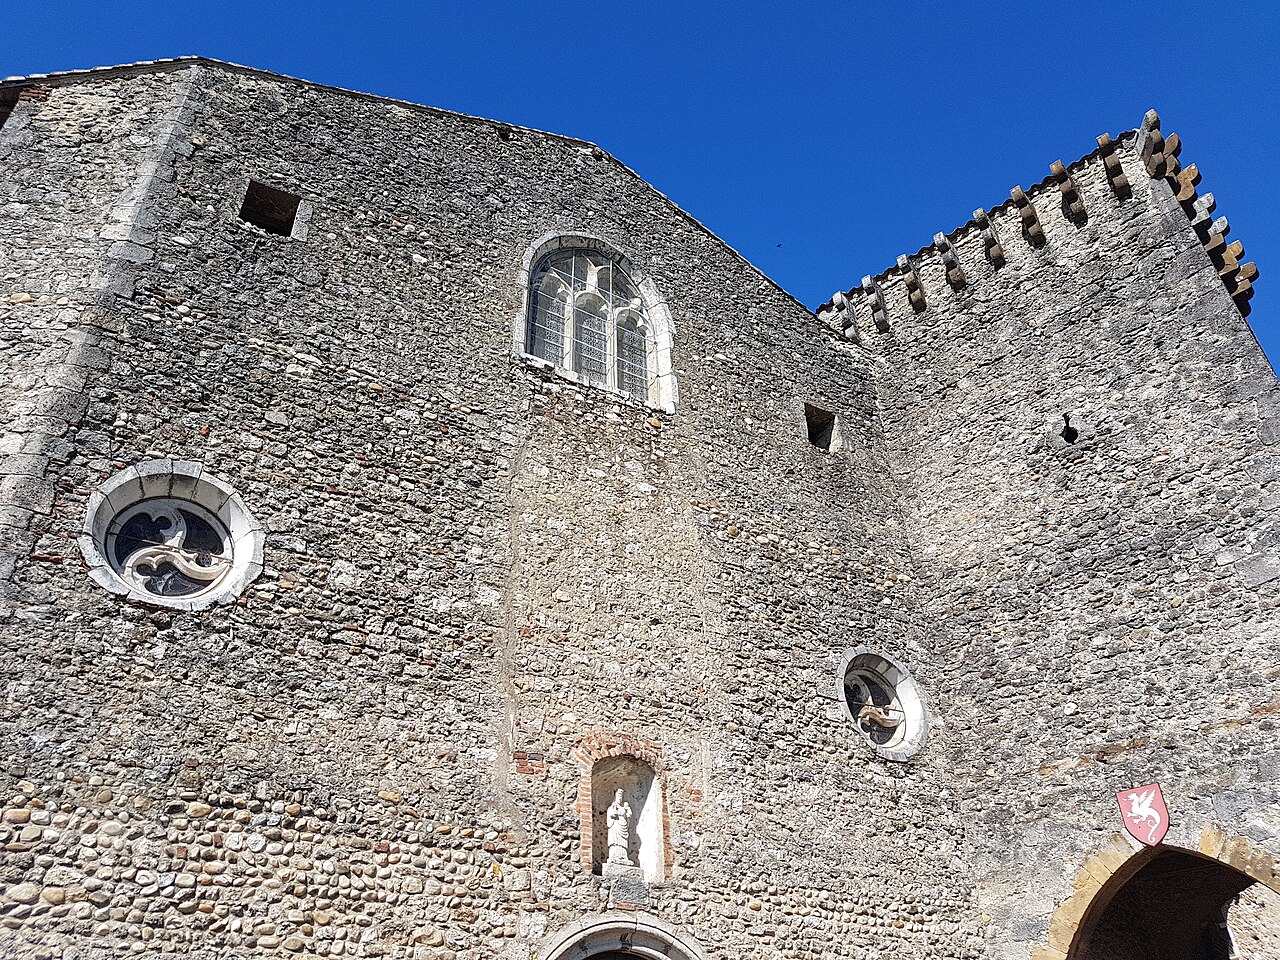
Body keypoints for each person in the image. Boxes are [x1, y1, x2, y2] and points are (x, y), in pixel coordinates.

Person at [606, 789, 633, 865]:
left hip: (623, 824)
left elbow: (628, 816)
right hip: (615, 824)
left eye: (621, 796)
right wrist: (614, 808)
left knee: (623, 842)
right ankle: (614, 856)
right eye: (618, 795)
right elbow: (612, 815)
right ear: (615, 797)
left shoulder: (623, 807)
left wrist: (628, 814)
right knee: (615, 841)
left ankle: (623, 857)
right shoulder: (612, 807)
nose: (620, 798)